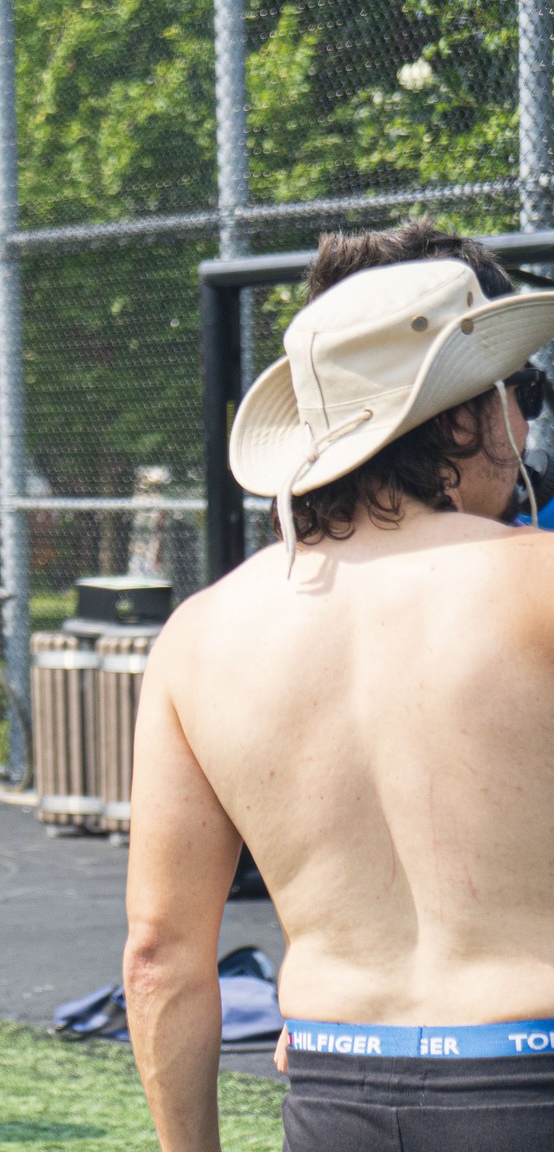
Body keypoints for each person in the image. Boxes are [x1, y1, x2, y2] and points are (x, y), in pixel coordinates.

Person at [124, 228, 554, 1151]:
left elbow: (160, 960)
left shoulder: (199, 634)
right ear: (460, 417)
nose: (525, 431)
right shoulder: (540, 582)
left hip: (334, 1090)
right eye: (518, 397)